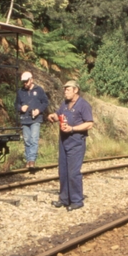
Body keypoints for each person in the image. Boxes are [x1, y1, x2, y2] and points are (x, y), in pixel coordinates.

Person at [47, 80, 94, 211]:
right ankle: (64, 199)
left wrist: (72, 128)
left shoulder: (83, 105)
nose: (65, 92)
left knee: (73, 172)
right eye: (65, 89)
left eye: (68, 89)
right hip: (63, 141)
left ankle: (77, 200)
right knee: (63, 171)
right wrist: (53, 116)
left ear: (75, 90)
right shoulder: (65, 104)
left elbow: (89, 123)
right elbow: (59, 115)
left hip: (76, 141)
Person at [15, 71, 49, 169]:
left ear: (31, 80)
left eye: (26, 81)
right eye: (23, 82)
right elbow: (16, 105)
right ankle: (28, 159)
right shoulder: (20, 92)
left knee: (34, 139)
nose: (25, 84)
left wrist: (38, 110)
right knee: (27, 140)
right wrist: (21, 108)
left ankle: (32, 160)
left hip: (36, 119)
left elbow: (45, 102)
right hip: (24, 119)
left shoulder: (39, 90)